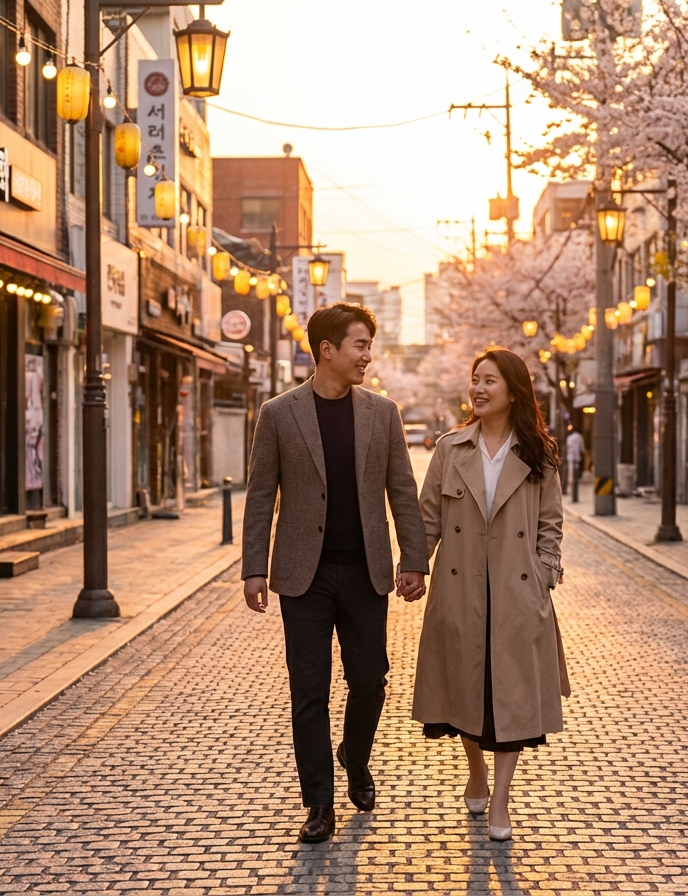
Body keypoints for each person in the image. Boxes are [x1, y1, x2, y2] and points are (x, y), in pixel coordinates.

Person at [242, 302, 429, 844]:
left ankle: (356, 754)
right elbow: (260, 496)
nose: (368, 356)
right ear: (327, 351)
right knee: (309, 690)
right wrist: (255, 567)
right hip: (304, 575)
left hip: (366, 570)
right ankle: (318, 804)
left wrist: (414, 559)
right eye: (359, 345)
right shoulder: (279, 413)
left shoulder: (382, 412)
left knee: (370, 679)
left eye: (369, 345)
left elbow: (402, 491)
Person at [410, 346, 569, 842]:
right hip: (459, 593)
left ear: (513, 390)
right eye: (474, 379)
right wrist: (414, 567)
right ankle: (474, 767)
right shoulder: (449, 448)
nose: (477, 388)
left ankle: (500, 798)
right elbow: (428, 518)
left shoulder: (539, 454)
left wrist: (543, 573)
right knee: (466, 690)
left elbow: (551, 525)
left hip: (517, 594)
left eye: (489, 381)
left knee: (512, 699)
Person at [564, 425, 585, 495]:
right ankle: (574, 491)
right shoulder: (579, 436)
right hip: (576, 458)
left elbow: (567, 448)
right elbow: (582, 448)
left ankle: (571, 487)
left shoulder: (569, 438)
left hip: (570, 458)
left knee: (570, 475)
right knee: (575, 474)